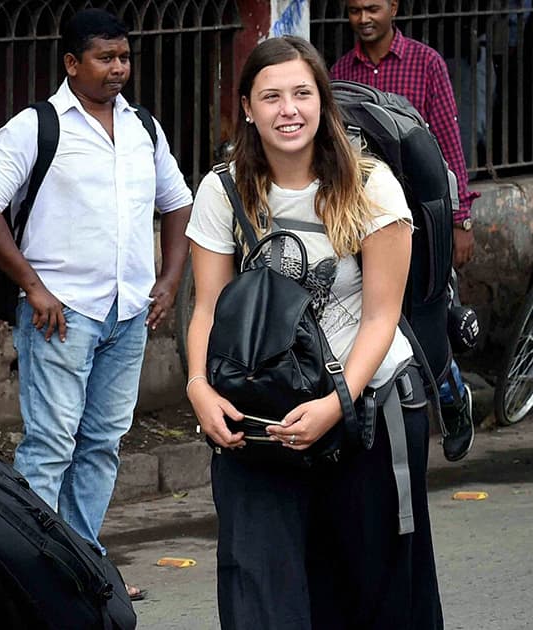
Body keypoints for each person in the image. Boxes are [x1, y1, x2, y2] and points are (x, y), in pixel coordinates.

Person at [186, 36, 443, 628]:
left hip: (369, 408)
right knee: (260, 591)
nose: (289, 110)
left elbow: (382, 315)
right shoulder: (223, 189)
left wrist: (338, 403)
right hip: (260, 415)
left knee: (370, 594)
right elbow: (208, 310)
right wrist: (200, 388)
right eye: (271, 96)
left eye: (302, 93)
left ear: (323, 103)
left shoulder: (370, 185)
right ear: (247, 108)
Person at [0, 8, 192, 601]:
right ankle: (32, 574)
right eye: (105, 58)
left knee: (102, 443)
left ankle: (82, 566)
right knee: (51, 445)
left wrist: (168, 280)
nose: (119, 69)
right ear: (72, 63)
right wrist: (33, 287)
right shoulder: (35, 127)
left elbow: (178, 201)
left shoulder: (144, 126)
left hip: (128, 313)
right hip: (60, 316)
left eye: (125, 57)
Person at [331, 0, 476, 462]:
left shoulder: (426, 64)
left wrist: (460, 219)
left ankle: (451, 397)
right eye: (354, 11)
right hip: (358, 217)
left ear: (393, 7)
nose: (363, 19)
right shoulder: (337, 72)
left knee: (429, 314)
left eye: (372, 8)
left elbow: (448, 146)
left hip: (421, 213)